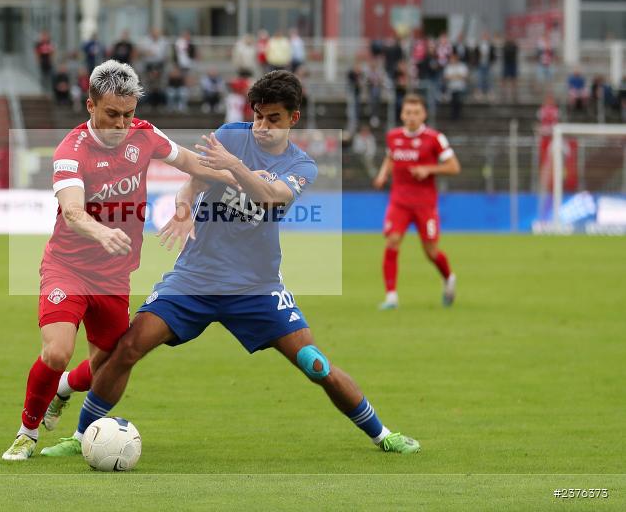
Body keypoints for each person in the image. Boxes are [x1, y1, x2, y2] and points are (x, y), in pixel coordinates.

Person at [41, 70, 421, 458]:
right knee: (128, 348)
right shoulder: (230, 136)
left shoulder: (301, 165)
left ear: (294, 119)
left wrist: (234, 168)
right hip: (194, 279)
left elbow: (271, 196)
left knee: (315, 363)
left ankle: (382, 434)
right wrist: (186, 204)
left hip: (256, 287)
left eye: (273, 119)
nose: (261, 127)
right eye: (257, 116)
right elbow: (194, 178)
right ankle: (81, 436)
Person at [0, 60, 234, 461]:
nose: (122, 123)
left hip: (114, 276)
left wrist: (241, 176)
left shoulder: (144, 135)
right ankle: (27, 433)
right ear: (90, 105)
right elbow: (72, 211)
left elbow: (190, 163)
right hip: (68, 268)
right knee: (57, 352)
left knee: (111, 362)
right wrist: (102, 231)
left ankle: (63, 391)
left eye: (128, 114)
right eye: (112, 114)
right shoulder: (70, 152)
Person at [373, 93, 461, 310]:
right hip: (399, 201)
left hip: (425, 204)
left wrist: (428, 169)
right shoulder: (393, 136)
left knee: (431, 251)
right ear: (402, 114)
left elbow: (454, 167)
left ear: (424, 115)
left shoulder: (435, 138)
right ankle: (391, 297)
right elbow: (390, 157)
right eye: (408, 112)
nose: (412, 117)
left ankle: (449, 278)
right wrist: (383, 174)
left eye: (416, 113)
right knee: (392, 241)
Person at [443, 53, 468, 121]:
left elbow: (464, 76)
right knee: (453, 102)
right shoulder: (448, 67)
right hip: (451, 88)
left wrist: (453, 76)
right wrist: (457, 76)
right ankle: (453, 116)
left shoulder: (462, 66)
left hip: (460, 87)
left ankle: (458, 116)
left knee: (459, 102)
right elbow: (446, 77)